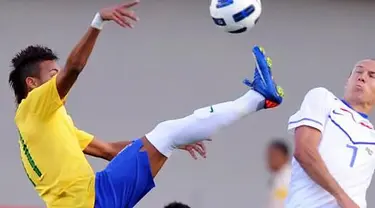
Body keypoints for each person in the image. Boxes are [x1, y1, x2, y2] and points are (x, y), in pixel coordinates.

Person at [8, 1, 284, 208]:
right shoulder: (32, 107)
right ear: (31, 83)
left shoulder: (46, 124)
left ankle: (257, 99)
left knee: (167, 135)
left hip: (96, 196)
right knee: (166, 132)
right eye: (51, 74)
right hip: (92, 200)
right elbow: (74, 68)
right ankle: (257, 98)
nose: (58, 78)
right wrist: (97, 23)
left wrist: (177, 140)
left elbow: (108, 150)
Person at [285, 59, 375, 208]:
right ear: (348, 80)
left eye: (372, 75)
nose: (362, 77)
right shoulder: (323, 99)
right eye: (358, 71)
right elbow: (304, 152)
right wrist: (342, 198)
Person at [265, 139, 291, 208]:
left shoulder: (289, 178)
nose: (270, 159)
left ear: (285, 157)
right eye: (269, 156)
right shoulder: (277, 178)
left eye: (274, 155)